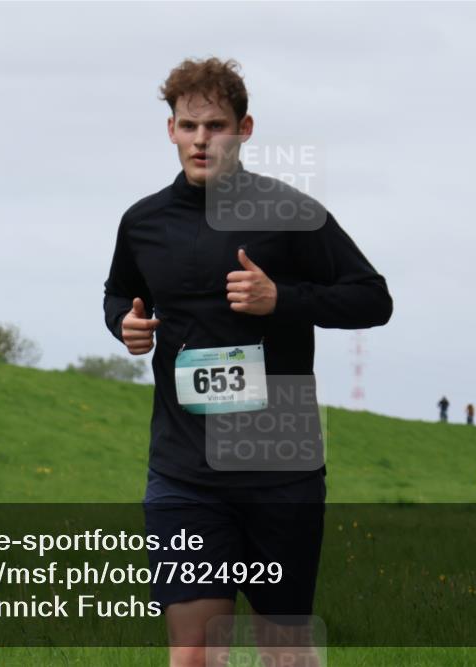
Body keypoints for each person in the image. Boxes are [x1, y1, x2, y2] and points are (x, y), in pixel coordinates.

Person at [103, 57, 392, 667]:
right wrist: (125, 325)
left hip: (279, 472)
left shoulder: (291, 214)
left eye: (216, 125)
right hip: (184, 474)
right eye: (188, 126)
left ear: (245, 127)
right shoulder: (143, 222)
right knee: (193, 654)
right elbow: (117, 293)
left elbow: (373, 298)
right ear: (171, 130)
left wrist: (282, 299)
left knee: (284, 653)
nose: (202, 140)